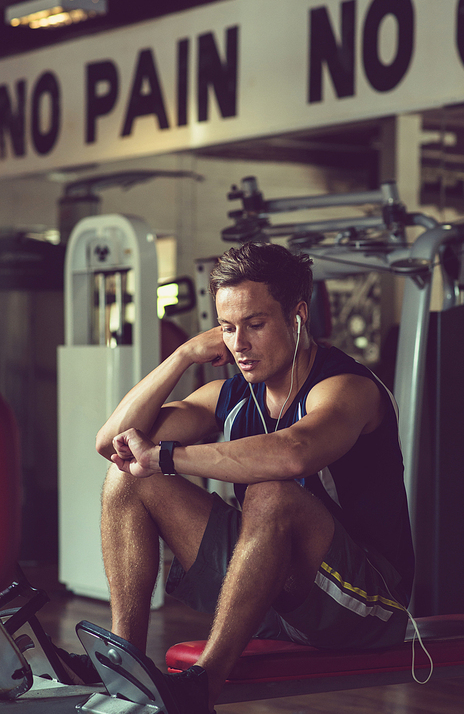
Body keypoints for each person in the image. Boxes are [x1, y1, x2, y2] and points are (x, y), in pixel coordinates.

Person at [62, 242, 414, 713]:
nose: (239, 344)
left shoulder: (346, 387)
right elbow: (113, 443)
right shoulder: (231, 394)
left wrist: (167, 457)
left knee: (271, 494)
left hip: (365, 605)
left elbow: (294, 453)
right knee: (128, 476)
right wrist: (185, 354)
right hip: (275, 592)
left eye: (255, 324)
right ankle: (120, 664)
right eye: (227, 328)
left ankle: (199, 688)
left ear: (297, 316)